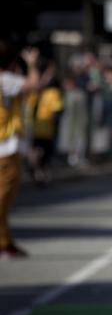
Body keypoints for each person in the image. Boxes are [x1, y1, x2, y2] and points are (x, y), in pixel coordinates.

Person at [0, 44, 46, 259]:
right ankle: (4, 242)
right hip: (4, 148)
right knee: (3, 199)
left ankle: (5, 241)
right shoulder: (5, 80)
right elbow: (33, 85)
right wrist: (33, 65)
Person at [26, 60, 64, 185]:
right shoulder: (53, 93)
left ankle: (35, 170)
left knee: (36, 149)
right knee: (46, 154)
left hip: (35, 126)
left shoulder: (35, 92)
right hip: (47, 128)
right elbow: (56, 111)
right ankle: (41, 173)